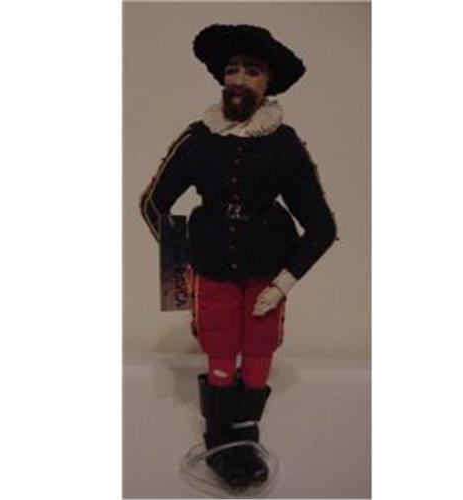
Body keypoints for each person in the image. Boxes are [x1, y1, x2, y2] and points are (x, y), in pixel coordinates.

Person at [140, 24, 337, 489]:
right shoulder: (198, 139)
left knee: (260, 350)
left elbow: (322, 227)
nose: (240, 80)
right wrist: (182, 262)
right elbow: (153, 204)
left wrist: (284, 282)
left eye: (252, 71)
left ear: (268, 83)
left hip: (267, 275)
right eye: (232, 70)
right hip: (211, 271)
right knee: (220, 348)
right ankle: (218, 436)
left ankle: (246, 432)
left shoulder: (283, 144)